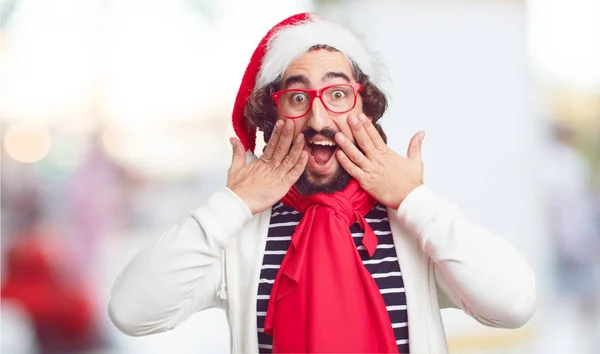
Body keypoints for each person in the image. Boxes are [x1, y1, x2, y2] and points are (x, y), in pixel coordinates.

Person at [108, 13, 537, 354]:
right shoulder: (241, 232)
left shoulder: (409, 223)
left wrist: (414, 199)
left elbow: (513, 304)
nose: (317, 119)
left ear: (364, 109)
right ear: (274, 116)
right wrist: (234, 203)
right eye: (297, 98)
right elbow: (131, 311)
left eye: (337, 95)